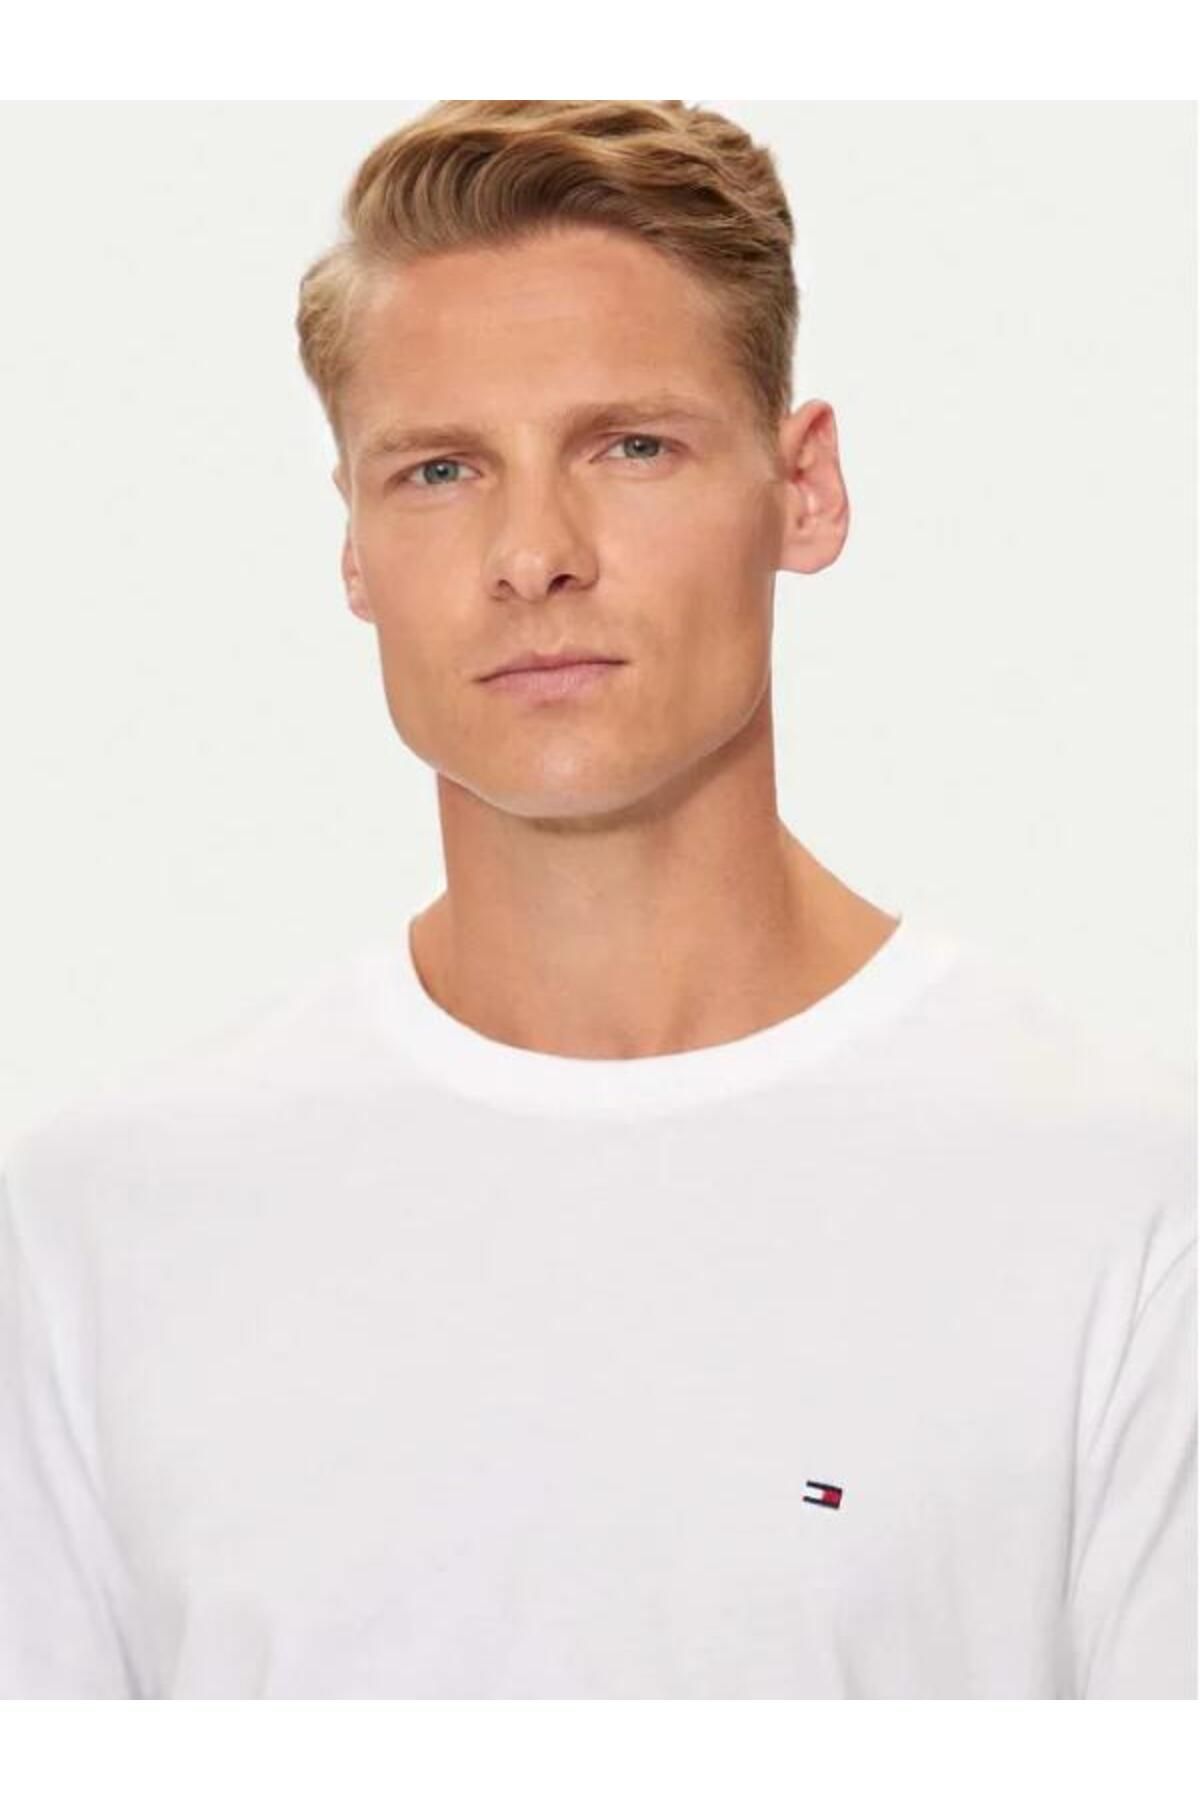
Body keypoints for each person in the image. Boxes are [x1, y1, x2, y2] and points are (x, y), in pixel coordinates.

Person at [0, 99, 1193, 1700]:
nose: (533, 555)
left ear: (805, 489)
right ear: (353, 546)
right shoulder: (103, 1225)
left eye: (630, 446)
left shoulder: (1121, 1196)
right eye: (440, 470)